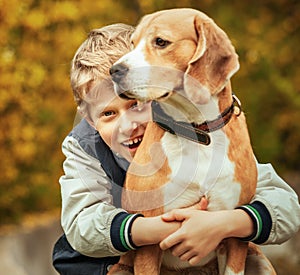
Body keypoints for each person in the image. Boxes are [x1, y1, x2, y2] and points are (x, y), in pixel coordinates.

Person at [52, 23, 300, 274]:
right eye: (108, 114)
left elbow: (286, 207)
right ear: (89, 119)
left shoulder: (205, 132)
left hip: (211, 257)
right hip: (117, 263)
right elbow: (82, 225)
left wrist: (224, 224)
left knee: (255, 265)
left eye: (138, 105)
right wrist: (160, 229)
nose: (128, 126)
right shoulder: (85, 148)